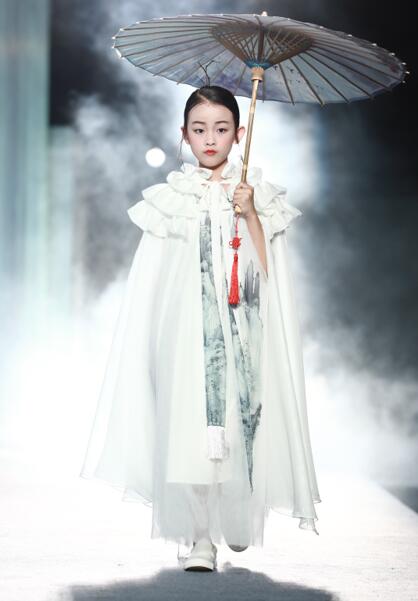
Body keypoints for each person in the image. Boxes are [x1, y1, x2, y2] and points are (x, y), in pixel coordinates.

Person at [79, 85, 321, 572]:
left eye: (221, 128)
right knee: (188, 429)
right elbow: (154, 275)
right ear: (184, 135)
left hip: (242, 332)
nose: (210, 139)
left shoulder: (256, 194)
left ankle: (236, 513)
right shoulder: (173, 198)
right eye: (199, 129)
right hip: (186, 331)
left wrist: (250, 214)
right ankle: (199, 538)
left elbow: (270, 274)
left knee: (239, 422)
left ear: (240, 133)